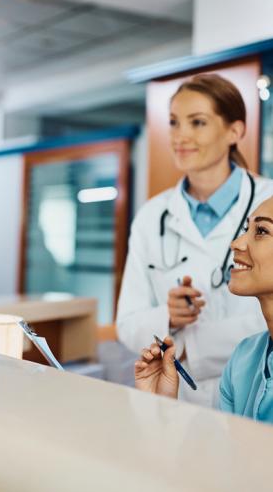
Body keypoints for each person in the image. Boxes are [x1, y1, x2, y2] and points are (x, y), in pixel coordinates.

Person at [116, 73, 273, 408]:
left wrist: (191, 346)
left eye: (197, 122)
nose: (180, 136)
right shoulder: (151, 217)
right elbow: (127, 325)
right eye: (173, 123)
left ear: (235, 131)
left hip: (255, 393)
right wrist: (168, 317)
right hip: (174, 398)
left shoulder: (268, 203)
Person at [134, 194, 273, 424]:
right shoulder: (244, 359)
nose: (236, 243)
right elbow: (228, 456)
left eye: (261, 231)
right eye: (246, 229)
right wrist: (160, 407)